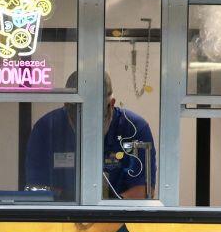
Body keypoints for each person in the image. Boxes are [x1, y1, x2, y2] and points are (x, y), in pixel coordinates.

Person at [24, 72, 155, 201]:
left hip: (119, 218)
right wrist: (69, 200)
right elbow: (36, 188)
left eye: (94, 122)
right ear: (66, 104)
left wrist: (109, 207)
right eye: (79, 121)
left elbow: (144, 191)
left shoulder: (134, 129)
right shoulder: (46, 129)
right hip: (61, 217)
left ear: (112, 104)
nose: (87, 131)